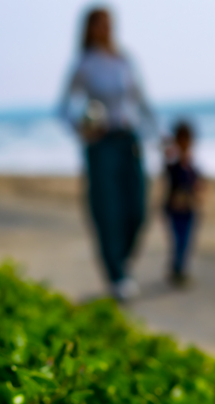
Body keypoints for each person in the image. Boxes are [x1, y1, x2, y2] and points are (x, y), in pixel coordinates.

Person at [59, 7, 157, 302]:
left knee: (137, 209)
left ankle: (122, 263)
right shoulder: (84, 64)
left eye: (108, 23)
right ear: (88, 28)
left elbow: (141, 101)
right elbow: (64, 108)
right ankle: (116, 275)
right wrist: (81, 128)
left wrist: (158, 135)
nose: (105, 29)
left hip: (130, 140)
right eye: (99, 24)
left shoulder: (125, 60)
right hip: (101, 145)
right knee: (107, 212)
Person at [163, 120, 202, 286]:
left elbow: (197, 183)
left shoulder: (191, 164)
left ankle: (180, 269)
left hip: (189, 209)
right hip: (175, 209)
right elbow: (169, 172)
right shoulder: (174, 163)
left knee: (186, 242)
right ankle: (177, 270)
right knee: (179, 241)